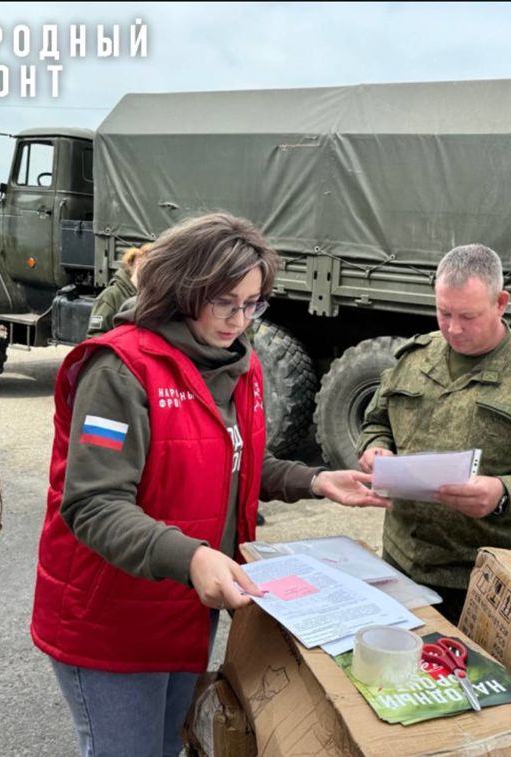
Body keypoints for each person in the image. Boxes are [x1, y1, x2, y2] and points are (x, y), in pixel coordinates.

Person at [31, 213, 390, 757]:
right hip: (112, 617)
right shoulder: (119, 370)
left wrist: (315, 480)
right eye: (227, 302)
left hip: (183, 610)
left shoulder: (238, 367)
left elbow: (231, 460)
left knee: (165, 746)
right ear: (183, 289)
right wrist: (194, 557)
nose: (240, 320)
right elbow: (95, 504)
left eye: (253, 304)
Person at [357, 244, 511, 624]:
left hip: (480, 580)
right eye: (444, 313)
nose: (453, 328)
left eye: (468, 316)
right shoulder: (415, 357)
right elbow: (377, 422)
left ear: (500, 302)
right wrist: (376, 449)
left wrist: (504, 494)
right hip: (401, 564)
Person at [85, 243, 150, 338]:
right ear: (139, 263)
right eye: (153, 268)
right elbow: (95, 337)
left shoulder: (149, 298)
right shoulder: (110, 296)